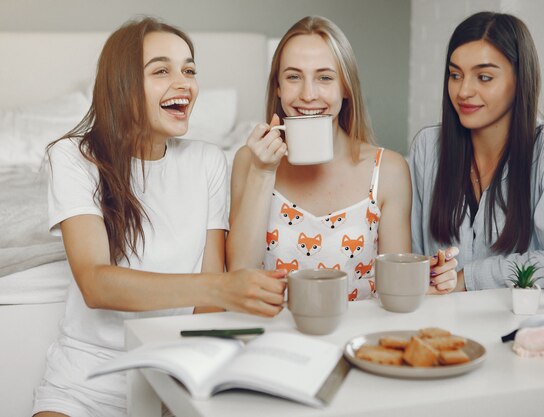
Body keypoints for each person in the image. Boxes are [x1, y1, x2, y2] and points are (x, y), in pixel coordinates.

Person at [33, 18, 286, 417]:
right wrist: (221, 288)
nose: (183, 82)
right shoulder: (74, 157)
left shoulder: (207, 161)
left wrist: (182, 385)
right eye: (162, 70)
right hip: (86, 383)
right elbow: (96, 283)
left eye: (189, 69)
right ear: (122, 85)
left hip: (174, 373)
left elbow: (207, 303)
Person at [227, 16, 458, 300]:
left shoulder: (388, 170)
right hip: (275, 334)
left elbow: (394, 291)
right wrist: (262, 173)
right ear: (277, 86)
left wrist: (422, 284)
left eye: (325, 77)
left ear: (346, 87)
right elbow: (239, 275)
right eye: (293, 77)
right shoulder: (248, 162)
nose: (308, 94)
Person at [409, 11, 544, 292]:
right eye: (455, 75)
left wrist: (469, 278)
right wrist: (426, 271)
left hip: (518, 330)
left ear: (519, 80)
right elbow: (409, 253)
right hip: (442, 328)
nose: (463, 90)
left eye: (484, 77)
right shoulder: (428, 148)